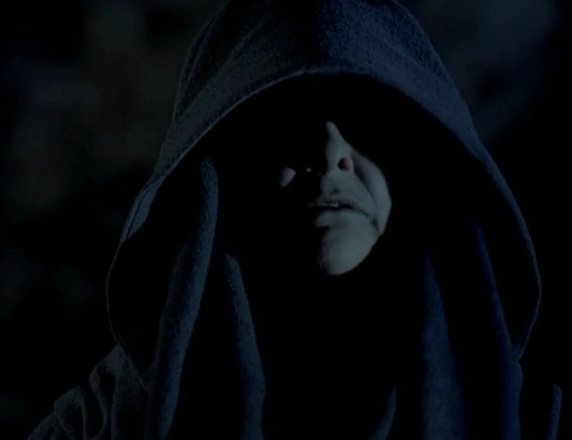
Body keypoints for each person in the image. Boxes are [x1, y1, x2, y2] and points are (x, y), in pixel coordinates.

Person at [27, 0, 562, 438]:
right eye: (288, 123)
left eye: (365, 121)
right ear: (222, 171)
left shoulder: (533, 423)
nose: (330, 154)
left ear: (422, 164)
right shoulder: (98, 426)